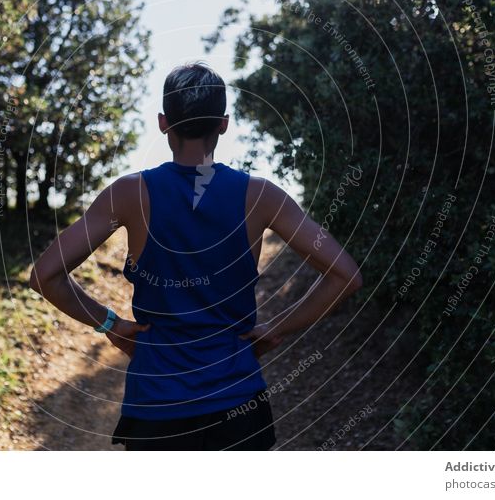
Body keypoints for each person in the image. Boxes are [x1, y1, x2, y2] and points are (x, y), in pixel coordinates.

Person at [29, 62, 362, 450]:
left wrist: (110, 325)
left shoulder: (128, 194)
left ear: (162, 122)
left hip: (156, 409)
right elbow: (345, 277)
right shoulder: (261, 197)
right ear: (222, 124)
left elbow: (45, 275)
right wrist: (278, 328)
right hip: (239, 409)